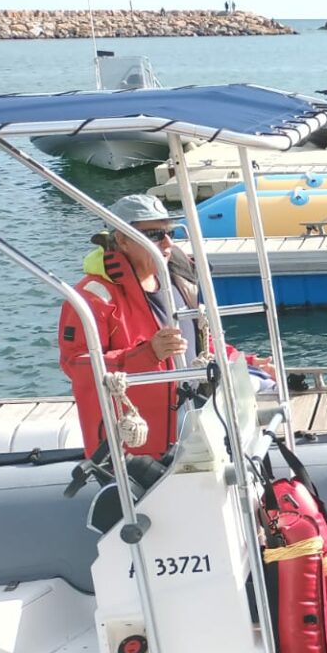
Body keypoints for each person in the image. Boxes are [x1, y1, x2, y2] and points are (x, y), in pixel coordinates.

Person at [58, 193, 271, 459]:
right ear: (122, 240)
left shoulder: (177, 282)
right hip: (135, 443)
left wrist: (246, 361)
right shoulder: (93, 298)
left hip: (192, 423)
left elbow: (199, 342)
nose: (168, 242)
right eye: (155, 235)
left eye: (170, 233)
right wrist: (148, 354)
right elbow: (76, 364)